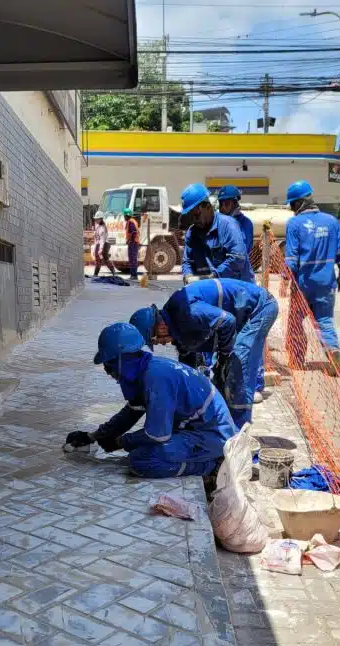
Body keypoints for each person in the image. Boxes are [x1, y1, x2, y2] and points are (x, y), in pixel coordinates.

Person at [65, 323, 236, 478]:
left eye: (108, 364)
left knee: (142, 460)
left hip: (212, 436)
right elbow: (130, 413)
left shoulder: (156, 378)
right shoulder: (147, 368)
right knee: (141, 448)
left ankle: (211, 466)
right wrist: (92, 436)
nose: (108, 371)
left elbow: (157, 434)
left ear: (121, 359)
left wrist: (121, 442)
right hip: (198, 428)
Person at [129, 278, 278, 429]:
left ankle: (238, 431)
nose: (160, 344)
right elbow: (188, 363)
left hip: (259, 308)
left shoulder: (188, 311)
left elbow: (227, 321)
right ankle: (223, 425)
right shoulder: (176, 325)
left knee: (237, 366)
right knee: (218, 375)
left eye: (155, 340)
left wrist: (224, 358)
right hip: (238, 315)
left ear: (160, 327)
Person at [283, 180, 340, 373]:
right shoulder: (331, 221)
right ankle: (332, 350)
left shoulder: (294, 224)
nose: (292, 209)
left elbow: (292, 258)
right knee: (325, 320)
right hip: (326, 283)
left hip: (303, 283)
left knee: (296, 322)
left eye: (292, 204)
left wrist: (287, 280)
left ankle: (296, 360)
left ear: (298, 203)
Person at [216, 184, 266, 403]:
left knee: (250, 334)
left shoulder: (243, 224)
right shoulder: (217, 222)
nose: (223, 207)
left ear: (235, 203)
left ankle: (256, 383)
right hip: (226, 285)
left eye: (226, 203)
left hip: (243, 285)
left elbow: (238, 254)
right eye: (221, 203)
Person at [178, 183, 254, 284]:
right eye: (191, 217)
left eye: (196, 215)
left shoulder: (228, 226)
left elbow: (238, 258)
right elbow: (187, 262)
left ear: (207, 206)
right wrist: (188, 276)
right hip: (213, 290)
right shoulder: (192, 233)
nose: (194, 220)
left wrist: (214, 276)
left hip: (237, 290)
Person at [124, 208, 141, 280]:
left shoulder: (130, 222)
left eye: (124, 216)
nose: (124, 217)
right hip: (134, 242)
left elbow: (134, 232)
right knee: (133, 259)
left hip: (133, 243)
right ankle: (133, 275)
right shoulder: (132, 221)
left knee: (132, 259)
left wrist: (131, 240)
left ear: (126, 215)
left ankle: (134, 275)